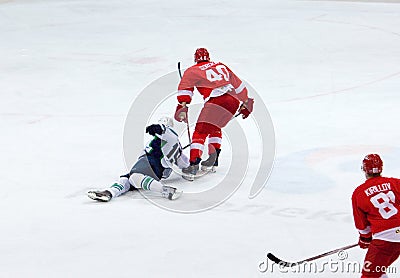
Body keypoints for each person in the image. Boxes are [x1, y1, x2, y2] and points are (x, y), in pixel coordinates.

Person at [174, 47, 254, 179]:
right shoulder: (221, 66)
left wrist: (182, 105)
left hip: (217, 100)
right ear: (208, 57)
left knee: (200, 131)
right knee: (215, 127)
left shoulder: (192, 71)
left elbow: (185, 90)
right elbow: (239, 85)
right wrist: (246, 102)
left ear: (195, 58)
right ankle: (213, 159)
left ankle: (193, 164)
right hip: (233, 100)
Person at [87, 117, 189, 202]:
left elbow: (166, 133)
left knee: (134, 178)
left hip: (151, 163)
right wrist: (190, 165)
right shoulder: (176, 146)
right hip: (153, 168)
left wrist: (159, 128)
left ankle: (166, 190)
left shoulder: (167, 135)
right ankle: (110, 192)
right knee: (126, 179)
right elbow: (182, 163)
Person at [352, 154, 400, 278]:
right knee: (379, 270)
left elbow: (362, 225)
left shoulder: (359, 193)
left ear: (363, 169)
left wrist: (365, 239)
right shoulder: (395, 183)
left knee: (370, 276)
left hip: (385, 240)